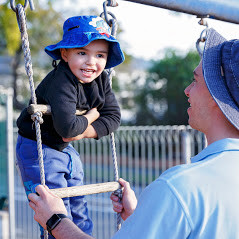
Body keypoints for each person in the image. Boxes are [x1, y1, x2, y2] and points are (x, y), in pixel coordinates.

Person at [28, 28, 239, 238]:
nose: (187, 90)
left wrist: (55, 220)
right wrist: (143, 219)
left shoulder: (180, 190)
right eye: (82, 53)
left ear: (215, 96)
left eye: (195, 81)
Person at [16, 15, 124, 238]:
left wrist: (80, 130)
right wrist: (94, 114)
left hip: (64, 147)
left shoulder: (101, 80)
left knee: (79, 206)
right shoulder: (62, 81)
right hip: (38, 147)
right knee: (56, 207)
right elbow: (67, 129)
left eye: (100, 55)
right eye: (82, 53)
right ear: (65, 54)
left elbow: (113, 117)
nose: (91, 62)